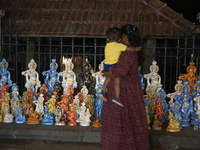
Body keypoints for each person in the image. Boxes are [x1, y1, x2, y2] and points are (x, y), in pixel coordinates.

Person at [101, 24, 150, 150]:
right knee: (128, 120)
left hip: (124, 92)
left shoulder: (127, 52)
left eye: (120, 35)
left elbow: (119, 72)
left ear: (125, 36)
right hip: (126, 89)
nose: (118, 38)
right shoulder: (124, 50)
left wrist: (104, 73)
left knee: (122, 122)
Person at [99, 27, 141, 107]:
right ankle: (117, 97)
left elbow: (120, 71)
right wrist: (136, 49)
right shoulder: (120, 47)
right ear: (119, 39)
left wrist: (106, 73)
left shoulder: (108, 45)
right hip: (118, 81)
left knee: (107, 79)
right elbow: (119, 72)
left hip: (107, 65)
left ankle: (103, 91)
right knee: (117, 81)